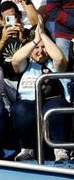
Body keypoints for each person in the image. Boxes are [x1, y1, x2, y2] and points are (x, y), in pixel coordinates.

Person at [8, 26, 70, 162]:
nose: (40, 52)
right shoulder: (26, 64)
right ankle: (27, 149)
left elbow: (60, 59)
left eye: (44, 47)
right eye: (36, 48)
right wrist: (36, 40)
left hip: (54, 101)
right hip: (29, 103)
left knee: (54, 108)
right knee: (20, 108)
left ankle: (60, 149)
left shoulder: (54, 63)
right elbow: (16, 60)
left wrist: (43, 35)